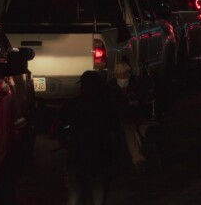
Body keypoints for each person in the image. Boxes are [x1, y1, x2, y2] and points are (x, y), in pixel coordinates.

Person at [58, 70, 119, 205]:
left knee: (77, 198)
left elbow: (59, 129)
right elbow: (113, 134)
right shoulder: (106, 107)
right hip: (95, 162)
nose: (83, 89)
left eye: (85, 86)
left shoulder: (74, 105)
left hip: (84, 161)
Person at [109, 61, 156, 171]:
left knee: (142, 129)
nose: (122, 78)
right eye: (120, 76)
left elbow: (145, 98)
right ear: (115, 76)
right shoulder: (111, 88)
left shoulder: (136, 84)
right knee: (129, 127)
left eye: (125, 75)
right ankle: (137, 159)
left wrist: (137, 101)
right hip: (120, 119)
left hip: (137, 117)